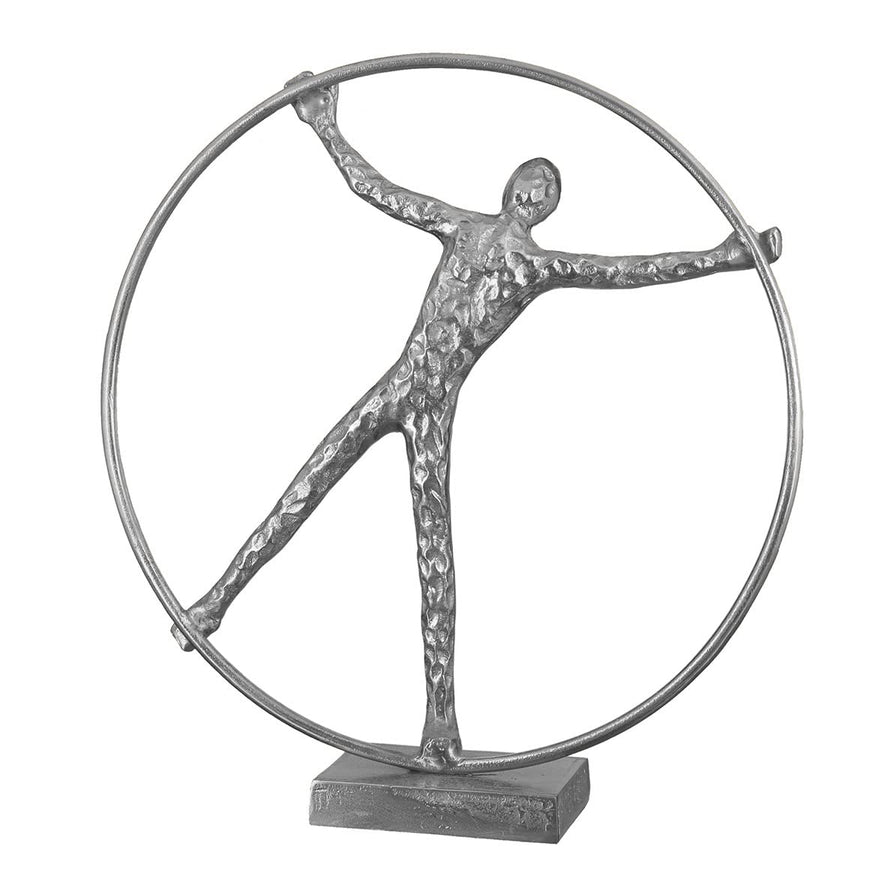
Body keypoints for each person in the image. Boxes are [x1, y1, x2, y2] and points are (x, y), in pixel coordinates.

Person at [173, 72, 782, 766]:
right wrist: (325, 125)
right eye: (528, 180)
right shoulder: (458, 226)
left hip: (433, 407)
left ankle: (440, 725)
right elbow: (376, 189)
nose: (533, 192)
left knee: (434, 553)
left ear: (548, 209)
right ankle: (212, 607)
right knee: (303, 490)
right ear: (507, 186)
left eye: (545, 190)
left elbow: (630, 270)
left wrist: (724, 259)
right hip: (396, 387)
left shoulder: (537, 267)